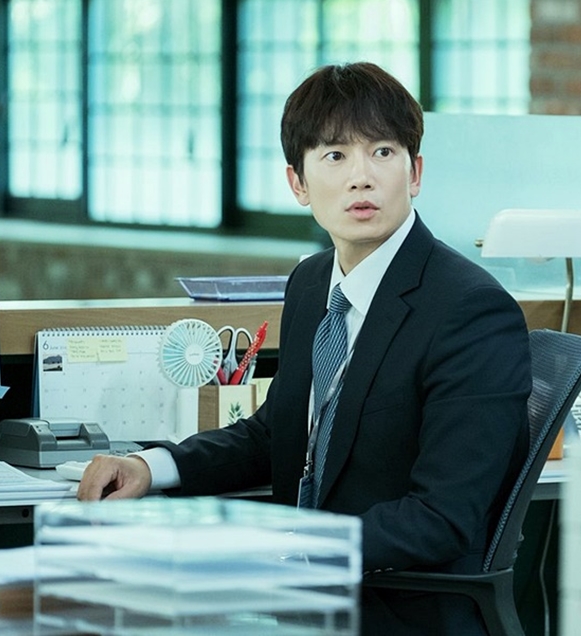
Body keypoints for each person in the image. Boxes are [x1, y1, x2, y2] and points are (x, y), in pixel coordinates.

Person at [77, 61, 532, 635]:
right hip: (305, 600)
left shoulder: (469, 310)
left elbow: (442, 518)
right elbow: (276, 434)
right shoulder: (313, 283)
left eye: (383, 152)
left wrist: (282, 549)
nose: (361, 177)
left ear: (414, 173)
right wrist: (150, 466)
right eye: (335, 155)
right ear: (298, 183)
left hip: (399, 612)